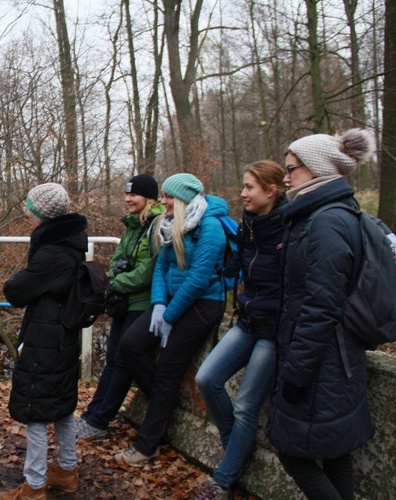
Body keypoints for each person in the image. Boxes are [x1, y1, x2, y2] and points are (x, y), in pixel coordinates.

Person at [266, 129, 375, 499]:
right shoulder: (321, 215)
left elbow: (320, 306)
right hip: (333, 361)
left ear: (317, 169)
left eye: (292, 168)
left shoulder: (327, 222)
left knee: (291, 452)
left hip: (322, 364)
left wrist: (295, 372)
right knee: (335, 453)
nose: (285, 177)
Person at [114, 173, 227, 466]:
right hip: (172, 302)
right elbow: (162, 268)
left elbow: (200, 278)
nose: (162, 201)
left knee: (167, 369)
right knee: (131, 345)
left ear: (183, 199)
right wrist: (159, 305)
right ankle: (166, 402)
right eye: (162, 196)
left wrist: (171, 315)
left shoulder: (210, 226)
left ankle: (147, 445)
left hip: (203, 304)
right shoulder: (167, 225)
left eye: (168, 197)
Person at [193, 161, 287, 498]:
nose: (242, 193)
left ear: (271, 190)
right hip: (248, 320)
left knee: (247, 403)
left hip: (274, 330)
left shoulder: (291, 226)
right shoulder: (249, 225)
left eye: (249, 187)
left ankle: (223, 479)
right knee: (207, 378)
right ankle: (235, 446)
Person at [0, 183, 87, 500]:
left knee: (34, 410)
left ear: (43, 215)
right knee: (62, 406)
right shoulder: (72, 245)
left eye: (30, 212)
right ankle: (66, 470)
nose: (27, 217)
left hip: (44, 338)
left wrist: (30, 276)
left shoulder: (52, 253)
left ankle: (34, 486)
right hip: (62, 336)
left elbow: (15, 290)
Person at [76, 174, 164, 441]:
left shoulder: (157, 225)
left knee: (123, 362)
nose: (127, 199)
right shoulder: (132, 225)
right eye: (126, 194)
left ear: (149, 198)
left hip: (142, 302)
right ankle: (94, 416)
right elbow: (117, 259)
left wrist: (120, 282)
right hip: (126, 301)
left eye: (133, 195)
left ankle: (100, 420)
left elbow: (152, 268)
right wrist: (115, 279)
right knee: (113, 360)